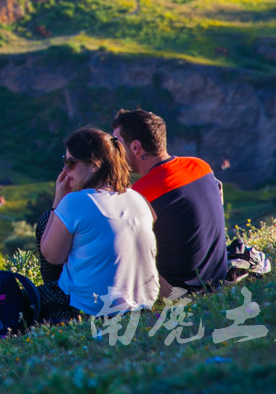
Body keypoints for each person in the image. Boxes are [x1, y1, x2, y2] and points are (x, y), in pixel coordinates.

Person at [35, 127, 159, 320]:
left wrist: (58, 200)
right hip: (144, 302)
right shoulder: (137, 198)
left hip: (92, 309)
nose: (65, 170)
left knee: (46, 222)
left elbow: (52, 256)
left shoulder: (75, 201)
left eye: (70, 162)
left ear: (94, 166)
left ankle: (60, 294)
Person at [111, 109, 229, 292]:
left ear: (135, 147)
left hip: (179, 289)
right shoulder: (200, 166)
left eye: (116, 143)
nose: (113, 151)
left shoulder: (140, 193)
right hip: (218, 274)